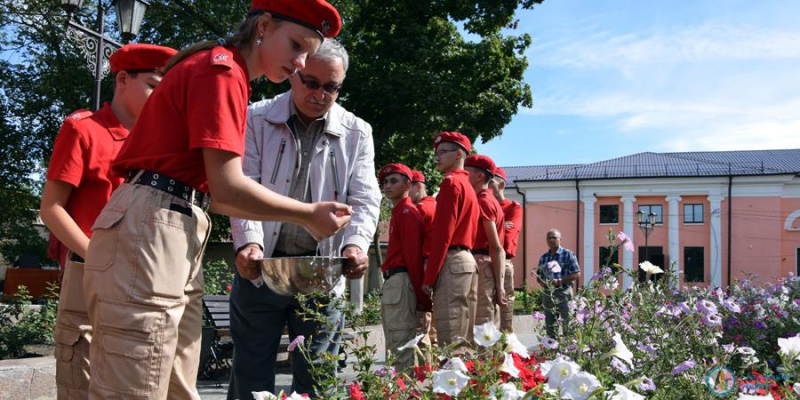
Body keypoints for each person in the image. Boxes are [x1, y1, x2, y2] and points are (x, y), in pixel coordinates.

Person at [81, 1, 351, 398]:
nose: (300, 62)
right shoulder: (221, 71)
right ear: (263, 25)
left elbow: (220, 196)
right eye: (296, 45)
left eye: (308, 53)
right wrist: (307, 214)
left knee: (172, 381)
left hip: (170, 220)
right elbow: (227, 188)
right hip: (153, 222)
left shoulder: (223, 71)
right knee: (136, 385)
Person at [227, 38, 380, 398]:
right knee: (250, 374)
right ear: (294, 73)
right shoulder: (255, 117)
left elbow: (365, 197)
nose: (320, 93)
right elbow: (242, 183)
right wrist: (248, 241)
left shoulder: (358, 131)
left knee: (318, 377)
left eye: (331, 87)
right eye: (311, 82)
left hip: (322, 273)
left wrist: (356, 245)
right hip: (261, 268)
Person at [39, 43, 176, 400]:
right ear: (122, 79)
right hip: (89, 271)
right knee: (79, 382)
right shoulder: (83, 130)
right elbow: (52, 208)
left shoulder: (162, 144)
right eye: (153, 85)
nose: (160, 96)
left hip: (142, 276)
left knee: (134, 384)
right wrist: (100, 258)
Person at [421, 132, 479, 347]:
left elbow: (443, 234)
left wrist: (429, 277)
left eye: (442, 152)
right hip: (466, 261)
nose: (437, 158)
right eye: (436, 153)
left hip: (453, 261)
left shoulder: (450, 183)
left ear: (458, 154)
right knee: (464, 338)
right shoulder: (467, 185)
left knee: (452, 339)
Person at [377, 163, 425, 371]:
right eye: (385, 182)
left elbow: (413, 258)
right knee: (395, 345)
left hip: (402, 281)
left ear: (408, 184)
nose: (387, 186)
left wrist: (422, 299)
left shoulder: (406, 212)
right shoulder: (399, 211)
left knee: (400, 348)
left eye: (393, 181)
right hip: (395, 282)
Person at [464, 155, 507, 326]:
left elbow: (496, 247)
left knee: (481, 324)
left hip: (481, 263)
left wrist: (500, 285)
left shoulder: (483, 201)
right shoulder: (487, 199)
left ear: (480, 176)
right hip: (483, 263)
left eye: (466, 172)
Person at [490, 166, 522, 332]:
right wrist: (500, 225)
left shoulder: (513, 207)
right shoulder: (480, 205)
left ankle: (506, 349)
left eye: (490, 182)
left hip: (504, 262)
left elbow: (508, 240)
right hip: (484, 261)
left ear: (501, 185)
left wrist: (490, 228)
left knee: (505, 307)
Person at [536, 229, 581, 339]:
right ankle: (553, 350)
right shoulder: (544, 257)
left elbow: (577, 273)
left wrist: (559, 281)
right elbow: (539, 275)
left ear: (560, 239)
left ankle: (568, 348)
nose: (551, 240)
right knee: (550, 324)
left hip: (564, 292)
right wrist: (542, 282)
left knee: (568, 322)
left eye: (554, 237)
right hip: (548, 294)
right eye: (549, 238)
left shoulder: (568, 254)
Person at [409, 170, 436, 345]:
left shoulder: (419, 209)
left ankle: (424, 369)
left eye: (408, 188)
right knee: (434, 325)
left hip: (424, 265)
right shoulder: (435, 204)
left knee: (422, 320)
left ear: (419, 186)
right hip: (435, 266)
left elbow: (412, 245)